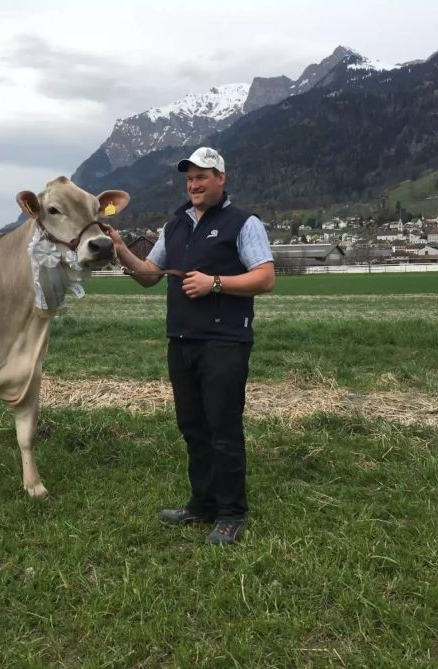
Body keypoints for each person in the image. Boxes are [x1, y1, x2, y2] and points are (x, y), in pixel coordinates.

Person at [106, 146, 275, 545]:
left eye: (202, 176)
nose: (194, 184)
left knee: (223, 428)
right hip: (181, 341)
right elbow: (149, 275)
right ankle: (201, 505)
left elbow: (265, 278)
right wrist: (120, 249)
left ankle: (231, 512)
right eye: (189, 178)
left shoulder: (244, 223)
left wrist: (214, 283)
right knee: (193, 427)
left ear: (221, 178)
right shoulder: (175, 225)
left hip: (225, 342)